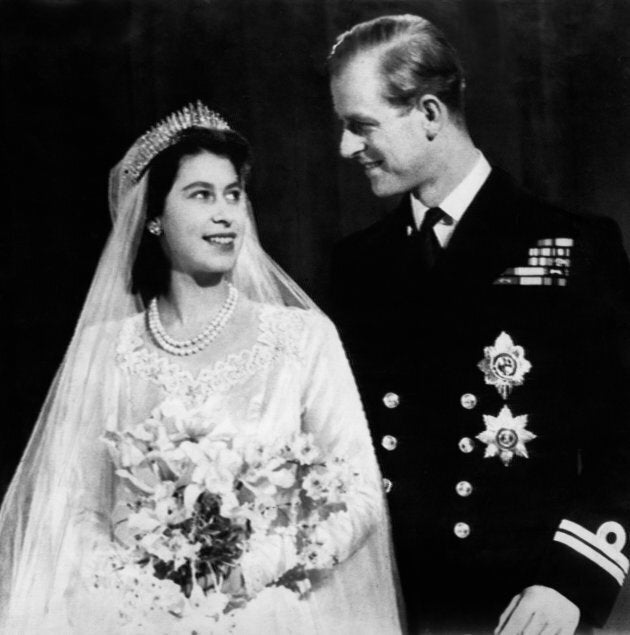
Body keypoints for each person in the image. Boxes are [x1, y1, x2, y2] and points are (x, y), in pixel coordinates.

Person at [0, 102, 402, 633]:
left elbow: (360, 495)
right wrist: (140, 589)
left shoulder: (302, 339)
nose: (226, 214)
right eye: (201, 195)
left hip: (273, 614)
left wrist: (253, 569)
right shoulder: (104, 352)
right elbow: (72, 509)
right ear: (153, 218)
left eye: (233, 194)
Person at [328, 14, 630, 635]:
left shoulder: (570, 246)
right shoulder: (357, 265)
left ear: (431, 114)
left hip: (525, 604)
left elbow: (623, 435)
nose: (345, 148)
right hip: (388, 603)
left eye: (362, 126)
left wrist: (572, 581)